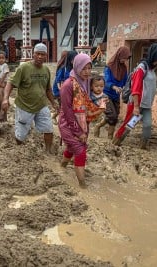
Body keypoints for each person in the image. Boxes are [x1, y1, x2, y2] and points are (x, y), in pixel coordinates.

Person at [1, 43, 57, 153]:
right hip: (24, 106)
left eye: (43, 54)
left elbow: (48, 89)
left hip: (41, 105)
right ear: (33, 54)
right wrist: (5, 99)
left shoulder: (46, 70)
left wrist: (54, 103)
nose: (40, 56)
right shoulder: (24, 68)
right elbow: (10, 83)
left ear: (46, 56)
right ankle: (19, 151)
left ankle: (48, 151)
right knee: (21, 135)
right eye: (38, 54)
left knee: (49, 129)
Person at [58, 53, 102, 188]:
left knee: (72, 148)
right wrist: (78, 132)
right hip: (68, 123)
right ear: (76, 67)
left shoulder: (87, 82)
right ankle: (83, 186)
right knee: (80, 150)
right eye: (84, 68)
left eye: (89, 68)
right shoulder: (68, 86)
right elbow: (67, 111)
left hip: (82, 121)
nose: (87, 72)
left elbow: (91, 98)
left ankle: (61, 167)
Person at [113, 42, 157, 149]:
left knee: (147, 125)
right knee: (128, 125)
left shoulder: (152, 69)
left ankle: (143, 146)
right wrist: (136, 107)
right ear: (153, 56)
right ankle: (115, 142)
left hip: (146, 104)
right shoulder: (142, 68)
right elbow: (136, 88)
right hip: (136, 103)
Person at [95, 46, 131, 138]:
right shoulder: (109, 66)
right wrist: (114, 87)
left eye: (126, 59)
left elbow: (125, 81)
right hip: (106, 94)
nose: (125, 60)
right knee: (112, 115)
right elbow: (106, 81)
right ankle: (101, 129)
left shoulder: (124, 68)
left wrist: (124, 88)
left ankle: (107, 135)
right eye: (124, 58)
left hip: (116, 95)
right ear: (119, 55)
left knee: (115, 117)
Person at [52, 50, 77, 124]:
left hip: (70, 91)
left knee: (68, 106)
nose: (74, 61)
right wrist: (62, 91)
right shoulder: (63, 68)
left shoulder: (75, 68)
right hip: (60, 91)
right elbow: (58, 81)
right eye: (73, 59)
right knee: (63, 107)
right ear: (69, 59)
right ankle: (58, 119)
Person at [0, 51, 10, 121]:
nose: (1, 60)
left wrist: (0, 82)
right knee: (1, 96)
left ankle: (2, 108)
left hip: (3, 82)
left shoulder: (5, 65)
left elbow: (4, 74)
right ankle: (4, 117)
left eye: (2, 58)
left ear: (5, 59)